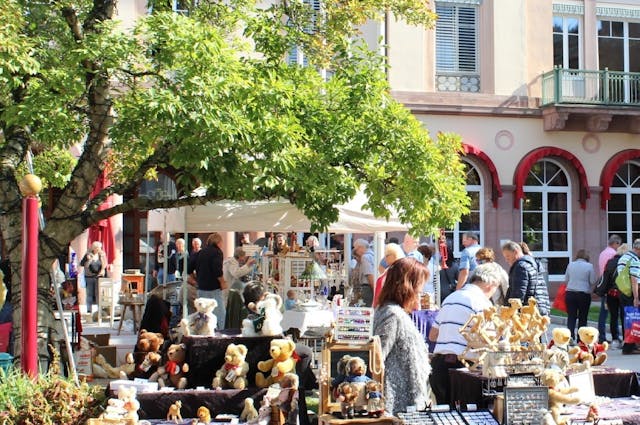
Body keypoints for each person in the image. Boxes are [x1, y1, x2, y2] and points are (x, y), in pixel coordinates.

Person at [429, 262, 505, 406]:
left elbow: (433, 335)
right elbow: (490, 342)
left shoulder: (450, 298)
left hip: (439, 367)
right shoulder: (482, 304)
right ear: (491, 285)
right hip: (464, 370)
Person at [373, 257, 431, 414]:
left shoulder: (394, 311)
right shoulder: (392, 314)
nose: (421, 292)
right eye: (419, 286)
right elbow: (377, 359)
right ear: (408, 285)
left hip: (405, 398)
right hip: (397, 401)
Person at [501, 240, 550, 316]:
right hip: (539, 306)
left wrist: (510, 312)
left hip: (527, 311)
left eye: (508, 256)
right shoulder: (532, 263)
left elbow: (518, 293)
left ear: (515, 252)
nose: (506, 260)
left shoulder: (520, 266)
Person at [194, 232, 227, 328]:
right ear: (218, 242)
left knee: (203, 314)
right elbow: (217, 269)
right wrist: (222, 282)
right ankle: (221, 332)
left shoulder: (200, 252)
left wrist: (194, 280)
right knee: (220, 314)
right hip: (213, 288)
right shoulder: (217, 252)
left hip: (201, 287)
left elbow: (189, 268)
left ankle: (203, 333)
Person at [564, 249, 597, 341]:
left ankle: (569, 337)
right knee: (583, 317)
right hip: (583, 294)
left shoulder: (570, 265)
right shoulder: (589, 266)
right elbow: (592, 281)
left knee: (571, 316)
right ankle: (581, 338)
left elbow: (566, 279)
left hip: (570, 293)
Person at [617, 239, 640, 355]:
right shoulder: (635, 260)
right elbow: (634, 279)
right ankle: (629, 347)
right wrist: (636, 297)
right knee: (633, 320)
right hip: (631, 293)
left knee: (629, 319)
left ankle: (630, 345)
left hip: (623, 291)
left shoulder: (624, 257)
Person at [597, 235, 622, 343]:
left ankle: (601, 336)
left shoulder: (603, 253)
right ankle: (614, 336)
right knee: (614, 314)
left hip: (604, 286)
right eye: (619, 244)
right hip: (611, 287)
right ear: (615, 243)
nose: (619, 247)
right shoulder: (613, 254)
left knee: (604, 312)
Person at [604, 243, 627, 348]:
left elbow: (606, 278)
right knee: (624, 316)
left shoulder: (610, 262)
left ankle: (615, 339)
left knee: (613, 316)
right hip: (623, 292)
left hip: (611, 293)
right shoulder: (627, 262)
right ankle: (626, 339)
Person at [80, 240, 107, 312]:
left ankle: (100, 310)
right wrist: (89, 260)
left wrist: (102, 271)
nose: (99, 249)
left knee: (99, 293)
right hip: (89, 277)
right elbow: (82, 264)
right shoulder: (88, 254)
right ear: (93, 248)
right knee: (89, 293)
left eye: (99, 248)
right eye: (97, 248)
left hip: (99, 277)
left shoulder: (102, 254)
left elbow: (105, 264)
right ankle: (89, 309)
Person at [351, 239, 375, 306]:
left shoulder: (365, 257)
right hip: (370, 287)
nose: (355, 252)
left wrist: (375, 291)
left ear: (360, 248)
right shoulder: (373, 255)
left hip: (368, 288)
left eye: (355, 249)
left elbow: (370, 276)